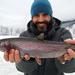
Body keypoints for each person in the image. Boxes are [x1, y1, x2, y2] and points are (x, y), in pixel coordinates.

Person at [4, 0, 75, 75]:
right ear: (32, 17)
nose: (41, 19)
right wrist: (28, 60)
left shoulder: (63, 34)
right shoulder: (24, 36)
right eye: (36, 15)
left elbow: (70, 69)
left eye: (45, 15)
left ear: (50, 15)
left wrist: (69, 60)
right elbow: (22, 69)